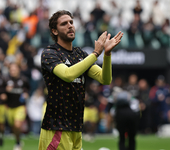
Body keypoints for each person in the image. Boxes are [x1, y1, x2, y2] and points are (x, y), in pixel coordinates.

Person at [38, 10, 123, 150]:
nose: (70, 26)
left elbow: (105, 79)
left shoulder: (80, 54)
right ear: (54, 31)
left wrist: (107, 55)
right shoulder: (49, 53)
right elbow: (67, 74)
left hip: (76, 128)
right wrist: (95, 53)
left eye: (71, 22)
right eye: (64, 24)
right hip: (56, 128)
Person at [5, 62, 30, 150]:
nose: (13, 71)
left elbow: (28, 90)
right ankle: (18, 140)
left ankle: (18, 144)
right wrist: (5, 92)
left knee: (17, 125)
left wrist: (26, 94)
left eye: (14, 69)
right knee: (13, 128)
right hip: (9, 108)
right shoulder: (6, 80)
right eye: (11, 70)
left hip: (20, 107)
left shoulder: (24, 80)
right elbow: (2, 92)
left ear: (18, 70)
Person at [0, 72, 7, 146]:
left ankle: (1, 135)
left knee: (1, 123)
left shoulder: (3, 78)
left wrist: (5, 94)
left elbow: (8, 90)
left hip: (1, 104)